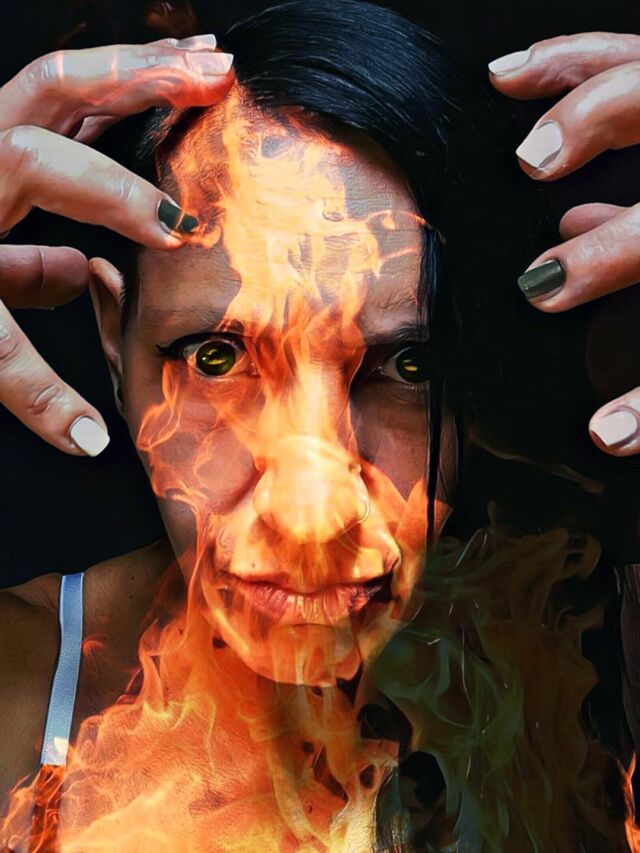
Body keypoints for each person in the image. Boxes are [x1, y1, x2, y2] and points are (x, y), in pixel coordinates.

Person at [0, 2, 636, 851]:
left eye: (408, 366)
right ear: (117, 347)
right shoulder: (13, 683)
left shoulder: (603, 676)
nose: (312, 516)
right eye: (218, 357)